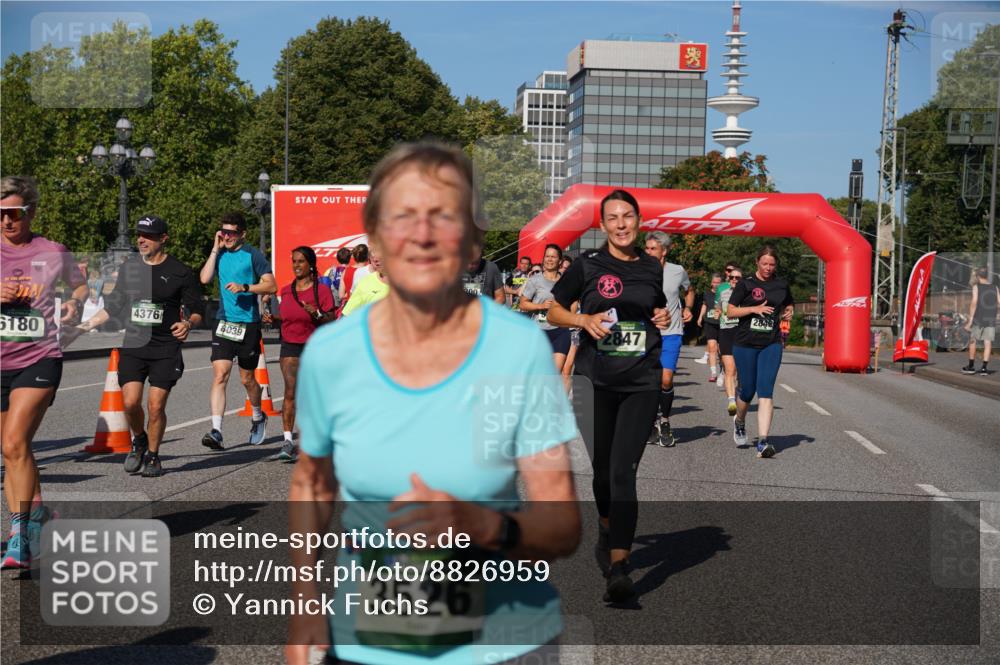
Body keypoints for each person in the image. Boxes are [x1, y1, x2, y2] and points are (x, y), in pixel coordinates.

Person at [286, 142, 580, 665]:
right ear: (375, 239)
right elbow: (313, 482)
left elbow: (562, 527)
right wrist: (307, 605)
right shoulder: (332, 354)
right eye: (403, 216)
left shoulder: (517, 349)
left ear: (471, 242)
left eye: (443, 216)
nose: (422, 234)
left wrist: (487, 526)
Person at [548, 189, 669, 603]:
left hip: (641, 381)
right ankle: (606, 525)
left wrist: (663, 315)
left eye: (628, 216)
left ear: (638, 221)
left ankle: (619, 568)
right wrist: (582, 317)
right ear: (603, 226)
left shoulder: (653, 267)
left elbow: (656, 308)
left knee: (622, 473)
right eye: (613, 218)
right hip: (593, 381)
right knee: (601, 473)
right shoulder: (587, 265)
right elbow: (553, 310)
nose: (621, 224)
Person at [1, 175, 88, 569]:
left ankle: (19, 538)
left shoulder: (52, 251)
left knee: (15, 442)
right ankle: (39, 518)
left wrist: (73, 303)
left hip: (39, 357)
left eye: (14, 213)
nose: (6, 221)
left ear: (31, 212)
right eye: (1, 214)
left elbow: (80, 286)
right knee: (13, 450)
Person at [77, 215, 204, 477]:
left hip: (165, 347)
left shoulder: (181, 272)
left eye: (148, 235)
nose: (141, 240)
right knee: (130, 403)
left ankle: (154, 457)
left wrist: (188, 324)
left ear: (163, 238)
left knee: (156, 406)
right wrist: (84, 326)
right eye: (139, 235)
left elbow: (197, 311)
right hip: (134, 345)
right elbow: (113, 306)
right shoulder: (130, 269)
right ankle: (139, 439)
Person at [198, 211, 277, 451]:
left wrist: (246, 286)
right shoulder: (219, 254)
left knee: (247, 379)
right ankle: (217, 431)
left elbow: (271, 285)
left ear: (242, 233)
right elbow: (204, 278)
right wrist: (215, 247)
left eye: (231, 232)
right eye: (223, 232)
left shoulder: (252, 254)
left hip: (248, 324)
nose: (227, 236)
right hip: (224, 322)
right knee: (220, 374)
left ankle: (257, 415)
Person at [262, 246, 335, 462]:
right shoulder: (286, 290)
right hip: (290, 345)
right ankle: (287, 442)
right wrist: (273, 320)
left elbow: (331, 319)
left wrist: (318, 313)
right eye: (294, 261)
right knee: (291, 392)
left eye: (301, 261)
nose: (296, 266)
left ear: (311, 264)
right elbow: (288, 318)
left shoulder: (321, 291)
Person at [727, 245, 794, 459]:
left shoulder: (781, 284)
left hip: (771, 343)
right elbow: (730, 311)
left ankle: (763, 441)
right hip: (745, 343)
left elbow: (788, 304)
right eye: (764, 263)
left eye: (772, 264)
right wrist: (753, 309)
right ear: (757, 262)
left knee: (766, 390)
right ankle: (739, 420)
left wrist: (790, 311)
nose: (768, 267)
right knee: (747, 391)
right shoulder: (746, 284)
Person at [642, 231, 693, 448]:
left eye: (653, 248)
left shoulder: (677, 271)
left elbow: (689, 290)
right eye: (647, 248)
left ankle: (665, 420)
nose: (648, 252)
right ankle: (651, 421)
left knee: (665, 379)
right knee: (648, 381)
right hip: (645, 334)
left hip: (671, 332)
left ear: (664, 251)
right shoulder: (638, 270)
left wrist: (688, 307)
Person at [520, 244, 571, 371]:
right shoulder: (535, 280)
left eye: (553, 257)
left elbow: (573, 303)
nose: (549, 259)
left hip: (560, 331)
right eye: (547, 256)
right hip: (539, 330)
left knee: (555, 373)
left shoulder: (566, 280)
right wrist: (541, 306)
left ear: (559, 261)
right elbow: (523, 304)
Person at [716, 266, 743, 414]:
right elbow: (717, 307)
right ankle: (731, 400)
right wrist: (718, 312)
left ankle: (738, 395)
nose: (734, 280)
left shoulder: (746, 295)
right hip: (726, 332)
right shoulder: (723, 292)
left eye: (737, 278)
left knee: (740, 371)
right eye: (731, 277)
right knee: (730, 369)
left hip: (741, 333)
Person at [963, 266, 998, 375]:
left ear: (978, 276)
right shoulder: (995, 287)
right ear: (987, 275)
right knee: (987, 342)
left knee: (973, 341)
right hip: (990, 318)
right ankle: (984, 368)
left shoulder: (976, 287)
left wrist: (970, 321)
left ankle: (971, 366)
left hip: (978, 318)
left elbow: (974, 303)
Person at [340, 248, 389, 316]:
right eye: (373, 257)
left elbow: (341, 295)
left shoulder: (406, 282)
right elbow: (347, 314)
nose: (376, 260)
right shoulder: (365, 281)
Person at [697, 272, 723, 383]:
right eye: (714, 282)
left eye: (718, 282)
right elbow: (705, 305)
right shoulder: (707, 293)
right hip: (709, 323)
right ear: (711, 283)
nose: (716, 284)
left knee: (721, 350)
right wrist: (700, 317)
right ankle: (713, 372)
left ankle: (723, 370)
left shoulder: (725, 293)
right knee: (712, 347)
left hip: (722, 324)